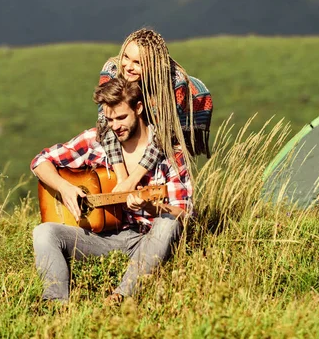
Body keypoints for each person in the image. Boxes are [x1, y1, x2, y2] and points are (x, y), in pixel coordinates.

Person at [31, 77, 193, 303]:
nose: (115, 126)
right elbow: (40, 162)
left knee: (167, 224)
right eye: (109, 119)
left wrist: (150, 206)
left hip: (148, 239)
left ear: (138, 108)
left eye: (121, 117)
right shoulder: (95, 140)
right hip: (103, 237)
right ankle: (56, 305)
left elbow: (184, 215)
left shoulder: (169, 152)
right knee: (44, 232)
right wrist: (65, 188)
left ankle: (121, 296)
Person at [97, 28, 212, 195]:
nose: (128, 67)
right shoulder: (112, 71)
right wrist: (122, 179)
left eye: (138, 63)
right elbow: (107, 126)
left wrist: (133, 180)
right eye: (126, 57)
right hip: (130, 120)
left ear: (154, 64)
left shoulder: (175, 84)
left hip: (163, 127)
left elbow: (162, 138)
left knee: (171, 153)